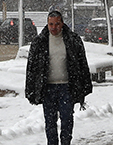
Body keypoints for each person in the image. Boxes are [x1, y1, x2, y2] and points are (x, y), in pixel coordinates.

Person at [25, 10, 93, 145]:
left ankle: (66, 142)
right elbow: (32, 68)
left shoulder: (73, 40)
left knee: (67, 120)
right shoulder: (39, 42)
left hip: (67, 87)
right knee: (50, 122)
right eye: (51, 24)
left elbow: (82, 64)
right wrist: (30, 90)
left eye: (56, 24)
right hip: (48, 88)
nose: (53, 28)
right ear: (47, 24)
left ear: (62, 23)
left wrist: (85, 87)